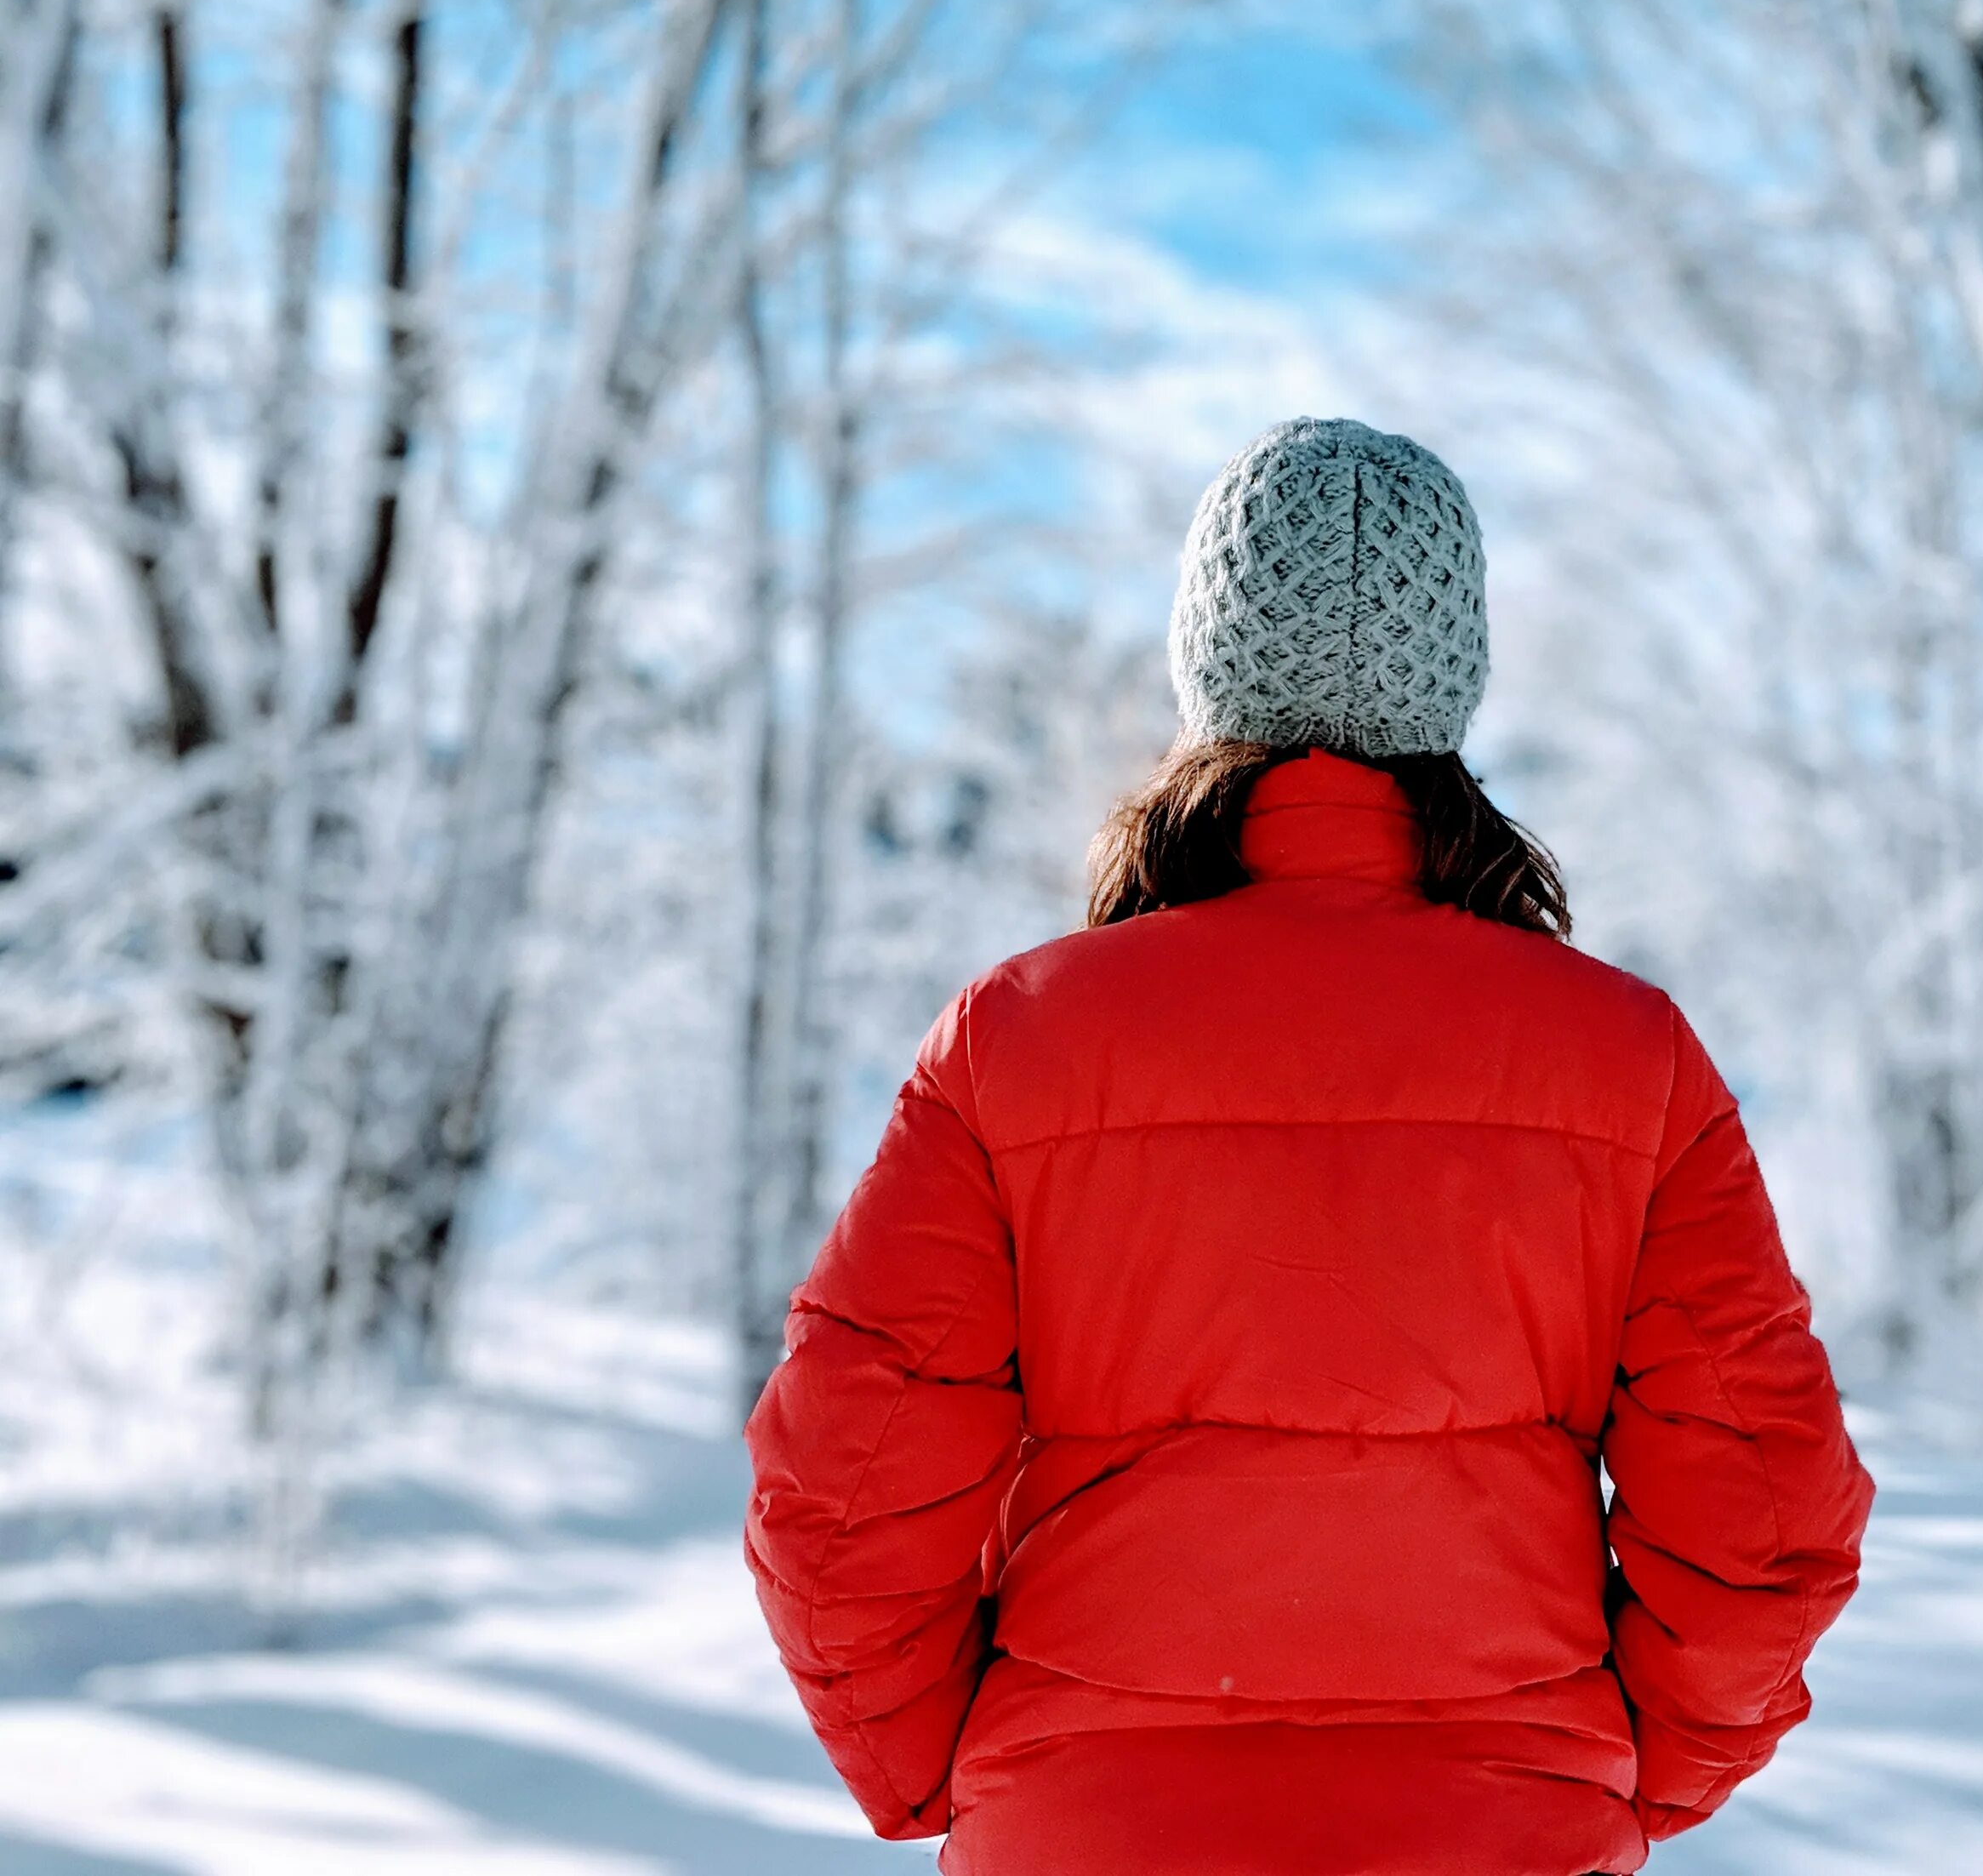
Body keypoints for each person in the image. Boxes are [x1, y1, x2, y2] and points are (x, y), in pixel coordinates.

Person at [744, 417, 1873, 1875]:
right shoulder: (1628, 1060)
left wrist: (943, 1767)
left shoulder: (1014, 1042)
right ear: (1449, 679)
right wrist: (1618, 1775)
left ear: (1207, 673)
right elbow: (1766, 1510)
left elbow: (840, 1487)